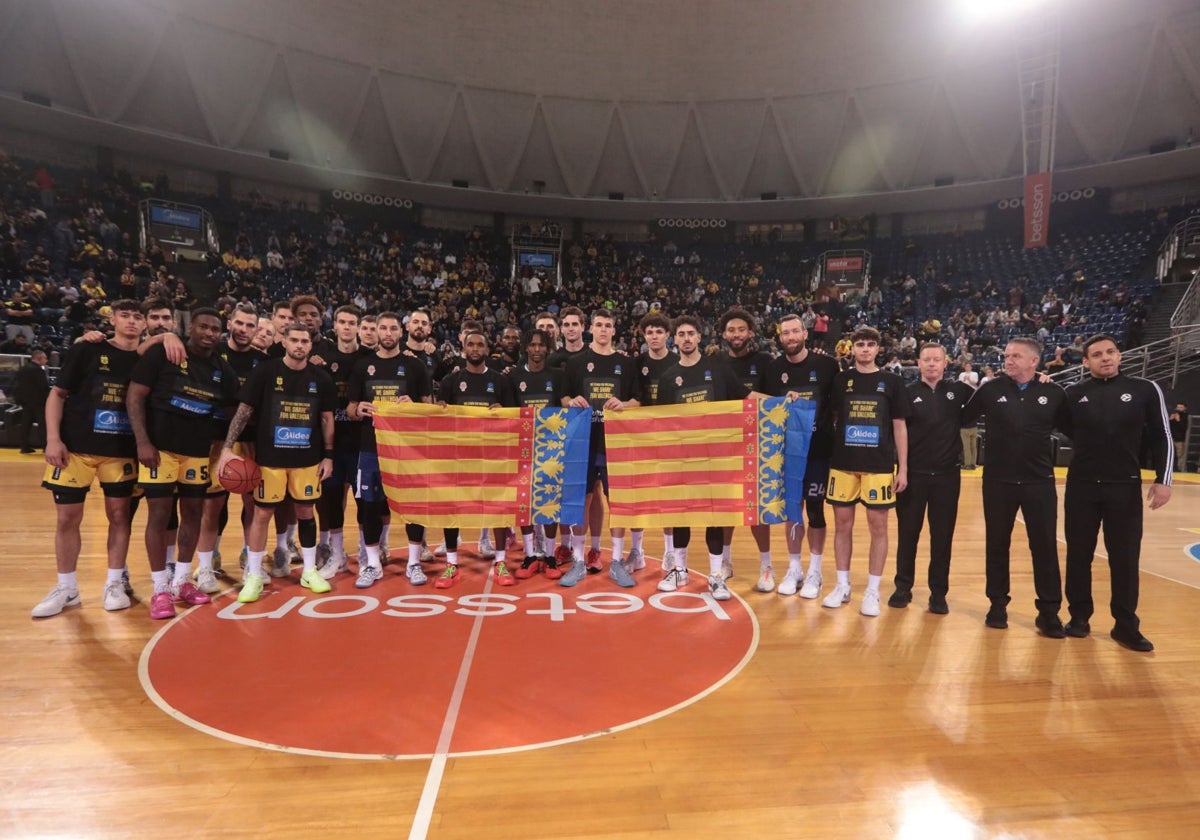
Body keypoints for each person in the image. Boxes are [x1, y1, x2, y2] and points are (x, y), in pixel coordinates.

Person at [1057, 334, 1173, 651]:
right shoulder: (1073, 393)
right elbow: (1068, 428)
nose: (1105, 358)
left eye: (1110, 352)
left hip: (1124, 486)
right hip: (1081, 486)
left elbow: (1163, 435)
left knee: (1124, 558)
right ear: (1085, 362)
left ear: (1120, 356)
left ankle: (1125, 625)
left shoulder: (1145, 390)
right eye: (1097, 354)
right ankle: (1079, 618)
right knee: (1078, 555)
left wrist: (1164, 479)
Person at [32, 300, 145, 618]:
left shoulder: (146, 360)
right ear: (114, 319)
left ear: (146, 324)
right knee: (67, 519)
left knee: (120, 518)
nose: (132, 322)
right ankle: (66, 588)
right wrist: (53, 439)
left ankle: (113, 583)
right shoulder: (88, 349)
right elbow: (57, 394)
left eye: (138, 317)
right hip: (75, 450)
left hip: (121, 452)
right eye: (126, 315)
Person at [127, 308, 238, 619]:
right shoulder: (164, 354)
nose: (209, 333)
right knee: (159, 516)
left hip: (197, 453)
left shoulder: (222, 370)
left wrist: (229, 448)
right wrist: (143, 442)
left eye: (215, 329)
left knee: (193, 515)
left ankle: (182, 581)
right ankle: (160, 588)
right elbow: (134, 397)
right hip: (160, 450)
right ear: (190, 328)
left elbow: (235, 412)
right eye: (203, 326)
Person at [217, 324, 337, 603]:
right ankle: (255, 574)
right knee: (261, 515)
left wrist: (328, 455)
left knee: (306, 512)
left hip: (307, 459)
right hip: (269, 459)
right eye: (294, 340)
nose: (299, 345)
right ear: (283, 341)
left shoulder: (321, 378)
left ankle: (308, 570)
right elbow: (244, 411)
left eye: (304, 341)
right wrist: (226, 447)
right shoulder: (266, 371)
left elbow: (327, 419)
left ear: (311, 344)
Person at [961, 338, 1068, 637]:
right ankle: (997, 605)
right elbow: (961, 416)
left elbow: (1076, 428)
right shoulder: (990, 390)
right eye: (1007, 355)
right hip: (998, 482)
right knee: (997, 544)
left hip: (1039, 482)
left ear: (1034, 362)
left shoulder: (1053, 392)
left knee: (1045, 547)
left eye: (1016, 356)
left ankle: (1048, 612)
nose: (1008, 360)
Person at [655, 315, 759, 600]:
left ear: (699, 337)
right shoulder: (667, 378)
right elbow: (661, 422)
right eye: (681, 334)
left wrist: (780, 401)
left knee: (715, 514)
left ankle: (716, 577)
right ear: (674, 339)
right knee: (681, 514)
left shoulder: (719, 369)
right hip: (682, 459)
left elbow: (746, 398)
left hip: (716, 458)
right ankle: (679, 570)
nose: (686, 338)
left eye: (691, 333)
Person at [823, 327, 910, 616]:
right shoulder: (841, 380)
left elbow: (899, 425)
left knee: (879, 527)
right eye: (860, 344)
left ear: (878, 349)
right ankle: (842, 585)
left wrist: (903, 467)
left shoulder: (892, 382)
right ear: (852, 348)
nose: (864, 349)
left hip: (879, 465)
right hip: (843, 464)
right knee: (842, 526)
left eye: (870, 345)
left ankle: (872, 591)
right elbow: (833, 418)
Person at [346, 312, 432, 588]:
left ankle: (414, 562)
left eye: (393, 328)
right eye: (382, 328)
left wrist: (414, 407)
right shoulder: (362, 366)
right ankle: (372, 564)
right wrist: (358, 409)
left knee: (413, 506)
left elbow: (429, 408)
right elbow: (350, 408)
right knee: (370, 507)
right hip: (371, 448)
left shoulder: (415, 367)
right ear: (374, 331)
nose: (387, 333)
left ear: (401, 332)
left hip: (408, 449)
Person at [761, 314, 840, 597]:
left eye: (795, 331)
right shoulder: (773, 370)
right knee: (793, 510)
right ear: (780, 337)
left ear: (805, 334)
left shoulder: (828, 365)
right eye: (786, 333)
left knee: (817, 511)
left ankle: (815, 571)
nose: (791, 337)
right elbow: (765, 407)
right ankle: (795, 567)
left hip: (819, 451)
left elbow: (836, 408)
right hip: (786, 454)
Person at [890, 343, 972, 614]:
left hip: (947, 477)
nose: (932, 364)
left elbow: (993, 396)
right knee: (908, 535)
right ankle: (903, 587)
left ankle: (938, 593)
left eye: (937, 359)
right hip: (913, 476)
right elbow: (897, 430)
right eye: (927, 360)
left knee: (942, 538)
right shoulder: (907, 392)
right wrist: (900, 470)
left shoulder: (959, 391)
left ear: (946, 362)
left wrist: (1040, 377)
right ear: (919, 362)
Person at [562, 309, 641, 587]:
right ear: (591, 329)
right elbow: (563, 396)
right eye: (599, 325)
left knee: (616, 501)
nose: (603, 330)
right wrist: (570, 401)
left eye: (608, 325)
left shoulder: (626, 363)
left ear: (613, 331)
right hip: (584, 442)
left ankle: (617, 561)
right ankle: (579, 561)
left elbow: (638, 401)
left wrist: (625, 404)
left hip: (615, 444)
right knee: (582, 501)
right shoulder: (575, 363)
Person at [436, 330, 519, 588]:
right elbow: (439, 416)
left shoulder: (500, 381)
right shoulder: (450, 381)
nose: (474, 348)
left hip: (492, 456)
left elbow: (514, 416)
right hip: (458, 456)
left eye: (479, 345)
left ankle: (501, 561)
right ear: (463, 348)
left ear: (487, 349)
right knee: (452, 508)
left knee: (498, 509)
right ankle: (451, 565)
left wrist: (502, 412)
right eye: (470, 344)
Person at [194, 302, 266, 593]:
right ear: (230, 323)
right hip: (215, 440)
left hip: (251, 440)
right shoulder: (214, 353)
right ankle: (206, 564)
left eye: (251, 325)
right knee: (212, 507)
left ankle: (251, 561)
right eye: (240, 323)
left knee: (253, 505)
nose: (245, 330)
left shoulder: (263, 360)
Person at [717, 307, 774, 581]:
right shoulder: (715, 363)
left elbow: (774, 400)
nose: (736, 334)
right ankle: (725, 561)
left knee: (756, 509)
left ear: (750, 332)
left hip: (757, 443)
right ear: (723, 334)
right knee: (727, 507)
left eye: (741, 329)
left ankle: (766, 566)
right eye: (731, 330)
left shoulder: (765, 362)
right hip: (724, 444)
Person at [508, 328, 566, 579]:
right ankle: (530, 555)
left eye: (541, 345)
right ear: (525, 348)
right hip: (522, 447)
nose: (536, 349)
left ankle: (550, 556)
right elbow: (508, 413)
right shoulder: (513, 377)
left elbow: (565, 406)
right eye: (531, 345)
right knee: (524, 503)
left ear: (547, 348)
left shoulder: (559, 376)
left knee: (549, 504)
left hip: (551, 449)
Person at [635, 311, 679, 570]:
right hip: (640, 437)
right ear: (644, 335)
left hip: (669, 437)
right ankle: (637, 550)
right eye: (649, 332)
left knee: (668, 496)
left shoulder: (677, 362)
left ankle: (670, 551)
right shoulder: (636, 362)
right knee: (639, 495)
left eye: (659, 332)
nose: (654, 336)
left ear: (667, 335)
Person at [14, 349, 51, 453]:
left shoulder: (23, 369)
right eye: (45, 358)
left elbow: (17, 385)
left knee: (26, 424)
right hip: (38, 402)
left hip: (25, 401)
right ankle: (45, 446)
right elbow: (43, 387)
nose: (46, 360)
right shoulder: (39, 370)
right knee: (43, 424)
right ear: (39, 359)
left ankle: (24, 446)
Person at [957, 361, 980, 469]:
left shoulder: (974, 374)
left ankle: (968, 463)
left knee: (967, 446)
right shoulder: (961, 375)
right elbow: (960, 383)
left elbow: (975, 383)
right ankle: (973, 463)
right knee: (973, 446)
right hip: (974, 426)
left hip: (966, 427)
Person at [1169, 401, 1188, 471]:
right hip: (1171, 438)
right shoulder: (1173, 414)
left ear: (1185, 408)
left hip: (1179, 439)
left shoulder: (1186, 416)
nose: (1179, 408)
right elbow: (1169, 427)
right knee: (1170, 454)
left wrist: (1179, 420)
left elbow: (1184, 428)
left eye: (1181, 407)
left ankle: (1180, 469)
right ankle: (1170, 468)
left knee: (1180, 455)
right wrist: (1170, 420)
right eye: (1178, 407)